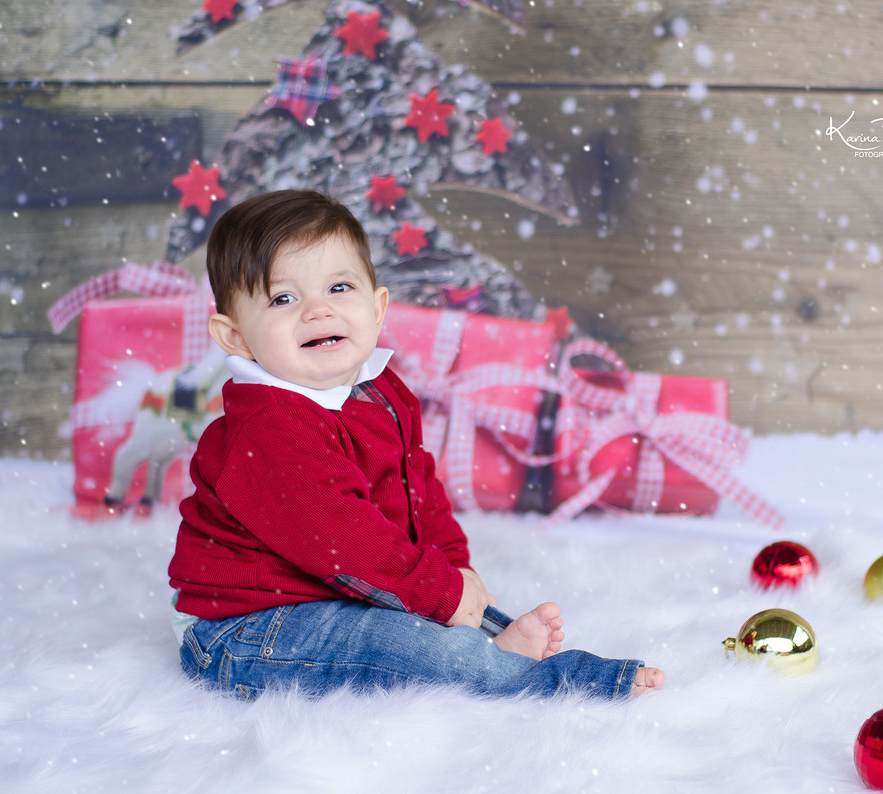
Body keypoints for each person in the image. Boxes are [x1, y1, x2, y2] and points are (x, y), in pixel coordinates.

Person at [167, 190, 664, 701]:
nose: (318, 311)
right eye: (283, 298)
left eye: (339, 287)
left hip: (341, 584)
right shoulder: (268, 428)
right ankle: (551, 683)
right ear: (235, 336)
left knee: (453, 607)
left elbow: (418, 490)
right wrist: (444, 595)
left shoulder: (381, 391)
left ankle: (492, 645)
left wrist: (455, 567)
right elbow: (344, 539)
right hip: (249, 626)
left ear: (377, 307)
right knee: (403, 645)